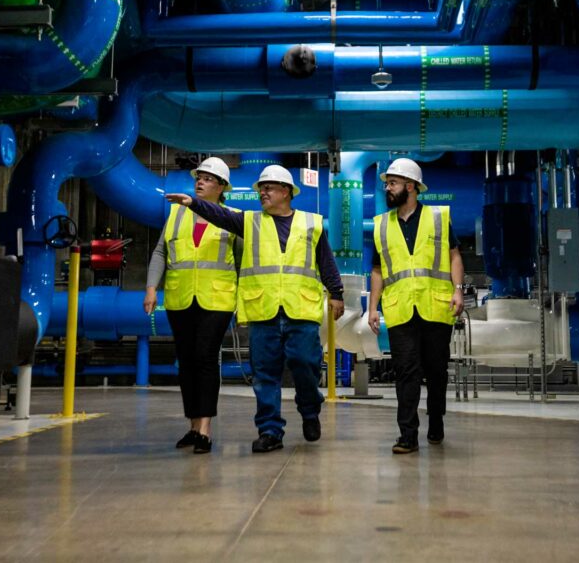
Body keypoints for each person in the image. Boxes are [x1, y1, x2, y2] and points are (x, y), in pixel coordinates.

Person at [166, 164, 344, 453]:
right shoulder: (249, 221)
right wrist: (194, 203)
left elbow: (326, 261)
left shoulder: (311, 223)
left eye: (268, 188)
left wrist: (336, 293)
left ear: (286, 192)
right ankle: (270, 430)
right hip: (263, 310)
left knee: (305, 365)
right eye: (261, 188)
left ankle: (310, 410)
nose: (262, 192)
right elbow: (220, 215)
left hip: (301, 309)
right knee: (265, 375)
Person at [368, 158, 464, 454]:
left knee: (436, 371)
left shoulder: (437, 217)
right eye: (387, 183)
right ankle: (407, 434)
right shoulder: (382, 225)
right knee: (406, 371)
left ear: (410, 186)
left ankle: (436, 420)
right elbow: (377, 270)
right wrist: (372, 308)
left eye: (393, 183)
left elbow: (454, 257)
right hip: (399, 309)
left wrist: (458, 290)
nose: (387, 187)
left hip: (435, 306)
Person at [145, 157, 240, 455]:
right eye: (199, 177)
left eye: (208, 179)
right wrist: (150, 288)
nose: (200, 182)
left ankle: (205, 429)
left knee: (205, 356)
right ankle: (192, 425)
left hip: (218, 299)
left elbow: (243, 261)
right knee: (186, 361)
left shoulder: (233, 216)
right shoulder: (176, 214)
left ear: (222, 187)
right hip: (180, 297)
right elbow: (161, 251)